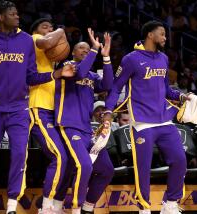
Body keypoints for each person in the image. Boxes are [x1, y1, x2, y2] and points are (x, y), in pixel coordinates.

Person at [0, 1, 75, 214]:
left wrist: (55, 74)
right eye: (13, 14)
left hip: (19, 109)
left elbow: (31, 76)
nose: (18, 17)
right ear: (1, 17)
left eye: (18, 14)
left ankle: (12, 204)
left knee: (20, 154)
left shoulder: (26, 41)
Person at [103, 20, 188, 214]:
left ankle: (170, 204)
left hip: (165, 120)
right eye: (162, 34)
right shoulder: (131, 59)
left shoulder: (164, 58)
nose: (165, 38)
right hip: (142, 122)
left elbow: (166, 89)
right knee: (143, 168)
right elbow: (116, 87)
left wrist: (183, 96)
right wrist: (108, 111)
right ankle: (144, 207)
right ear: (150, 34)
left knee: (180, 160)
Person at [54, 28, 114, 214]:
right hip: (68, 125)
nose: (85, 51)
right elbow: (79, 74)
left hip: (86, 129)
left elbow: (108, 86)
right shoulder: (67, 67)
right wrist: (95, 49)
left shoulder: (91, 76)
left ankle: (88, 206)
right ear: (72, 51)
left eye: (88, 50)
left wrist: (105, 57)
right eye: (82, 48)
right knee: (84, 165)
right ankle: (75, 208)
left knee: (106, 169)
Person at [29, 18, 69, 213]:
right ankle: (46, 207)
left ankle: (56, 204)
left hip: (52, 110)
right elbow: (47, 40)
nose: (49, 30)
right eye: (44, 27)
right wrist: (60, 30)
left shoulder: (50, 56)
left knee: (66, 157)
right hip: (37, 107)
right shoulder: (34, 39)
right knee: (59, 156)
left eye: (51, 27)